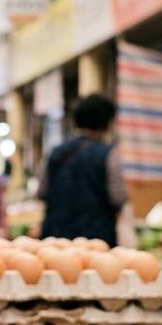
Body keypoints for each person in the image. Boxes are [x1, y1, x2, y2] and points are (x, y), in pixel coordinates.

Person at [39, 94, 132, 247]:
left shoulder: (55, 153)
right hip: (96, 240)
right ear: (105, 123)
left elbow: (41, 192)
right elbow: (118, 198)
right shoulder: (108, 154)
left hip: (56, 239)